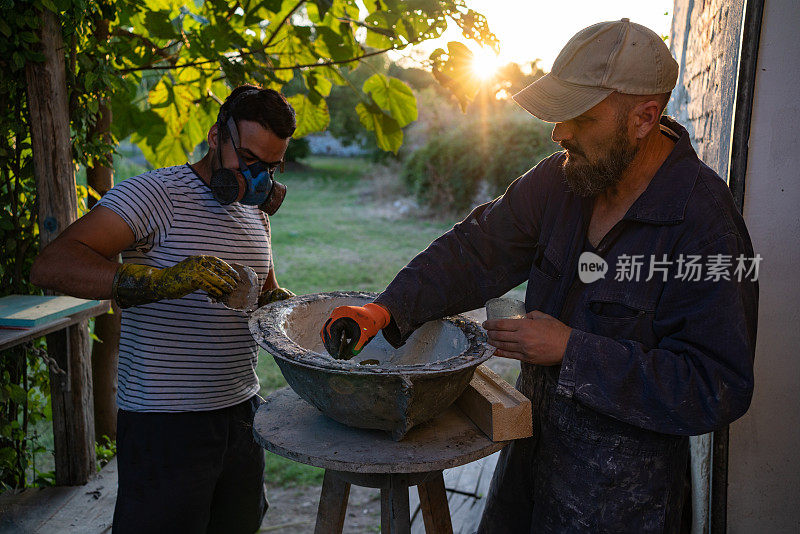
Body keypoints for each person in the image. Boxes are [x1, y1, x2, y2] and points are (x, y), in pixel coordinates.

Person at [321, 19, 758, 532]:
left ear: (644, 118)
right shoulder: (563, 178)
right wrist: (387, 308)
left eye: (581, 117)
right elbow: (476, 249)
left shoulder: (706, 225)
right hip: (529, 466)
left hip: (621, 504)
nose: (559, 132)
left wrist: (572, 349)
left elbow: (717, 387)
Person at [31, 85, 297, 533]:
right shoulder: (156, 194)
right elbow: (51, 265)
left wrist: (284, 307)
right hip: (165, 423)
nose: (259, 181)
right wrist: (161, 281)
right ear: (216, 137)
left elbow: (264, 291)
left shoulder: (257, 214)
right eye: (249, 161)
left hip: (242, 414)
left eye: (271, 167)